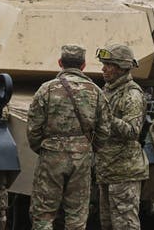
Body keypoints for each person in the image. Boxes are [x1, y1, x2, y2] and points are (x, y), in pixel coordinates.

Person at [27, 44, 111, 230]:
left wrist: (43, 148)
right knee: (77, 215)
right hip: (82, 156)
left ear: (60, 63)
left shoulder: (46, 89)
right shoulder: (96, 91)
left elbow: (33, 128)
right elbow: (105, 129)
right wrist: (88, 147)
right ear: (83, 65)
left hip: (51, 155)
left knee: (43, 213)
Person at [95, 44, 148, 230]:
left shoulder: (131, 94)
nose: (103, 69)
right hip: (108, 170)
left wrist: (106, 118)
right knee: (107, 224)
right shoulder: (108, 90)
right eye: (104, 64)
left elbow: (133, 131)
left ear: (121, 67)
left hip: (124, 172)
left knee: (125, 225)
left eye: (108, 65)